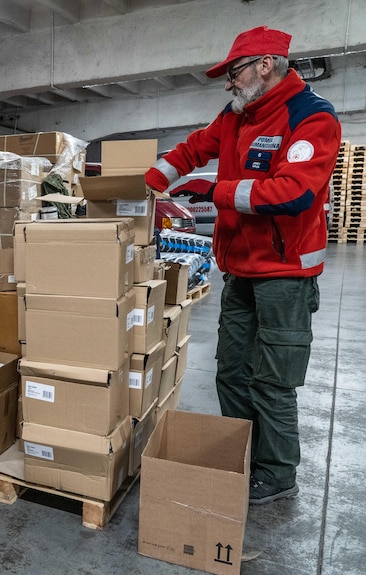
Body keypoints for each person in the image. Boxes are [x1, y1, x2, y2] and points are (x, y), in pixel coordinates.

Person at [145, 26, 341, 505]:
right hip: (239, 272)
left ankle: (277, 473)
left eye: (234, 73)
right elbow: (193, 149)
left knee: (272, 380)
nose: (228, 83)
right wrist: (147, 182)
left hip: (285, 277)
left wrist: (214, 190)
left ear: (265, 65)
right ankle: (246, 455)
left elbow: (293, 194)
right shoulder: (235, 117)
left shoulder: (311, 118)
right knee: (231, 371)